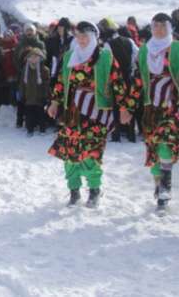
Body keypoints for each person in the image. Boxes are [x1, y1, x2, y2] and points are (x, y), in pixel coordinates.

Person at [47, 22, 135, 208]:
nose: (82, 39)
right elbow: (61, 82)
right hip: (72, 113)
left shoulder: (105, 57)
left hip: (95, 114)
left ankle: (94, 190)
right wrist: (55, 102)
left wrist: (124, 108)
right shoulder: (70, 56)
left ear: (94, 36)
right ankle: (74, 190)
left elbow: (118, 84)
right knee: (69, 152)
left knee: (91, 153)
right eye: (78, 35)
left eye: (86, 35)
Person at [130, 13, 179, 215]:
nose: (159, 29)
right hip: (150, 109)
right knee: (153, 152)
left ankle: (165, 189)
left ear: (169, 28)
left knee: (165, 146)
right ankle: (159, 185)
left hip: (172, 107)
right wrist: (127, 106)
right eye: (155, 25)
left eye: (163, 25)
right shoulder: (144, 50)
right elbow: (137, 80)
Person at [18, 47, 50, 136]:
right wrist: (22, 95)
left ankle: (42, 129)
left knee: (41, 114)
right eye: (31, 57)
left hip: (39, 96)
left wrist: (45, 96)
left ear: (40, 58)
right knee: (29, 114)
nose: (33, 59)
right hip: (29, 96)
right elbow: (22, 83)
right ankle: (30, 129)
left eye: (36, 57)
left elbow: (46, 84)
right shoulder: (25, 69)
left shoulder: (44, 70)